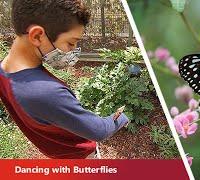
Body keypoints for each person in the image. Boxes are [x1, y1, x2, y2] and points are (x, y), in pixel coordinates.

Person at [0, 0, 128, 159]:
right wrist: (122, 117)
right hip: (79, 157)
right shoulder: (46, 93)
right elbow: (98, 131)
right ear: (38, 35)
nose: (73, 50)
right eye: (71, 42)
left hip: (56, 152)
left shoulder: (5, 69)